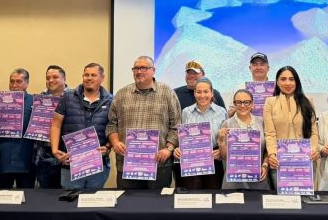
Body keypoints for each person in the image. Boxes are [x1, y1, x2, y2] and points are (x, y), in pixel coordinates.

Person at [106, 55, 181, 189]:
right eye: (136, 68)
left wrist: (169, 149)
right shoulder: (121, 94)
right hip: (128, 164)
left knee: (157, 201)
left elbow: (176, 125)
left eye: (144, 68)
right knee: (128, 201)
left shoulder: (167, 92)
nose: (139, 71)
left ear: (153, 70)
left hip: (159, 163)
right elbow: (112, 124)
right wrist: (115, 142)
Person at [50, 62, 114, 189]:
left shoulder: (111, 100)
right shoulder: (68, 97)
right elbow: (56, 124)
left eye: (93, 75)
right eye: (86, 75)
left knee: (93, 200)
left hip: (98, 166)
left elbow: (114, 128)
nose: (89, 78)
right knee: (70, 200)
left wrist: (108, 147)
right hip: (70, 164)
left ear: (102, 78)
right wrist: (54, 150)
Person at [263, 66, 319, 188]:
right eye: (283, 79)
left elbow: (313, 132)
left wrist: (314, 149)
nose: (287, 83)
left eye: (291, 79)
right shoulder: (270, 102)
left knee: (304, 198)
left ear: (296, 82)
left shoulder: (308, 101)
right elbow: (270, 133)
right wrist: (272, 154)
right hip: (280, 162)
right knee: (283, 198)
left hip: (305, 160)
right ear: (277, 82)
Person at [174, 77, 227, 189]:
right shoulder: (186, 112)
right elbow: (181, 136)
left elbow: (226, 139)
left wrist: (220, 152)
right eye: (199, 92)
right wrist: (178, 149)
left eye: (206, 91)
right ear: (194, 93)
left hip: (214, 160)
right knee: (192, 195)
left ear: (212, 93)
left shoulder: (222, 112)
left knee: (212, 195)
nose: (202, 95)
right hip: (191, 160)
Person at [0, 68, 35, 189]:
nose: (14, 85)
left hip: (25, 157)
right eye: (12, 81)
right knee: (0, 195)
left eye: (19, 81)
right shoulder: (0, 102)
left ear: (27, 83)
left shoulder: (35, 102)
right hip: (3, 157)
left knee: (27, 195)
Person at [218, 88, 269, 190]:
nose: (242, 105)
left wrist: (265, 165)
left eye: (246, 102)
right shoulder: (226, 124)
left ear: (252, 104)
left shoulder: (262, 122)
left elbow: (267, 149)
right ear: (234, 104)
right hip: (234, 181)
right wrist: (221, 141)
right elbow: (224, 157)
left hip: (258, 178)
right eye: (238, 102)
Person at [34, 64, 70, 188]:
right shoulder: (40, 98)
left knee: (66, 192)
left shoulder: (74, 97)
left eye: (55, 77)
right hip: (45, 153)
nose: (50, 80)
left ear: (64, 79)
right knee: (46, 193)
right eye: (48, 78)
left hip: (66, 153)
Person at [228, 53, 272, 118]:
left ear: (268, 68)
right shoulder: (240, 88)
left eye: (262, 64)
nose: (258, 67)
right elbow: (229, 114)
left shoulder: (277, 88)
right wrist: (241, 107)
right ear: (250, 68)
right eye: (255, 64)